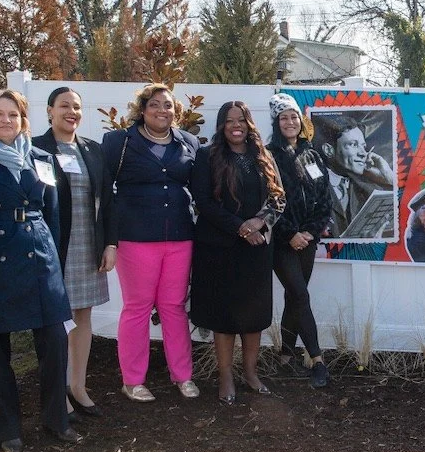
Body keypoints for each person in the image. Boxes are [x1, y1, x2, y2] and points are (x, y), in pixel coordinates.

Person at [0, 89, 78, 452]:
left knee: (55, 341)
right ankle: (6, 429)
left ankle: (57, 419)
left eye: (13, 114)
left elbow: (54, 212)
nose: (6, 120)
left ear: (23, 119)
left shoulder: (42, 158)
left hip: (39, 252)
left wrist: (55, 259)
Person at [100, 83, 203, 403]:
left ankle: (183, 375)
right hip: (135, 238)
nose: (162, 110)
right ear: (143, 110)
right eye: (155, 104)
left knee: (174, 307)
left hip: (179, 237)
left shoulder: (188, 142)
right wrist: (109, 240)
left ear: (176, 111)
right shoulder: (119, 142)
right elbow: (105, 193)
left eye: (168, 105)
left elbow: (199, 189)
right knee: (138, 307)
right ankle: (132, 380)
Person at [191, 101, 285, 404]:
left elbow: (279, 198)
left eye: (241, 120)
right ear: (221, 125)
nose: (236, 125)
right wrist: (241, 227)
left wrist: (259, 222)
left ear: (249, 123)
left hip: (256, 249)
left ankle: (251, 374)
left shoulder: (263, 156)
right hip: (219, 248)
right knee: (224, 316)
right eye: (230, 120)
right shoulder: (207, 156)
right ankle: (226, 377)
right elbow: (203, 202)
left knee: (254, 314)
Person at [34, 86, 114, 417]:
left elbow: (107, 201)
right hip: (54, 247)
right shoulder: (36, 148)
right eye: (64, 105)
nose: (72, 112)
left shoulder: (92, 150)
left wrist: (110, 243)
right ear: (50, 111)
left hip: (87, 246)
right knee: (56, 322)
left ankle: (78, 387)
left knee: (83, 317)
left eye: (77, 107)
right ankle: (57, 395)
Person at [267, 93, 336, 387]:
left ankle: (285, 355)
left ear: (301, 120)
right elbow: (267, 201)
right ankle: (318, 360)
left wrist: (309, 233)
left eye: (293, 116)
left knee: (294, 296)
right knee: (300, 295)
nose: (290, 122)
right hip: (281, 242)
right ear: (276, 123)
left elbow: (325, 200)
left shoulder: (313, 155)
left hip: (307, 240)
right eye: (283, 118)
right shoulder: (267, 156)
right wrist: (290, 234)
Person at [313, 113, 395, 237]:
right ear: (329, 150)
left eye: (363, 146)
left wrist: (389, 178)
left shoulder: (370, 189)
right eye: (353, 145)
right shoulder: (312, 187)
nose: (363, 153)